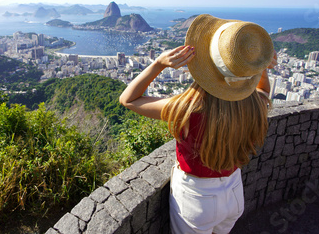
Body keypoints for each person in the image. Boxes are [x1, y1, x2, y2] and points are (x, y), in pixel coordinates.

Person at [119, 14, 277, 234]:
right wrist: (259, 66)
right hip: (234, 191)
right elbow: (262, 91)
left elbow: (128, 99)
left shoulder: (188, 109)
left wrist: (158, 63)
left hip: (196, 199)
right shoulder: (254, 106)